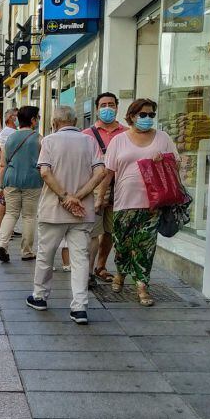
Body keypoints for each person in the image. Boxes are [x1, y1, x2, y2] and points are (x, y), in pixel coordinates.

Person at [28, 105, 107, 324]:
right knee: (80, 258)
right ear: (74, 121)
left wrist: (65, 197)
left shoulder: (49, 141)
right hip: (83, 212)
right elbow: (101, 172)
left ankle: (40, 297)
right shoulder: (90, 141)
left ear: (54, 122)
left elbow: (45, 171)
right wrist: (78, 197)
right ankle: (79, 308)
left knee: (45, 254)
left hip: (53, 210)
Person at [103, 98, 179, 306]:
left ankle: (142, 286)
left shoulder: (163, 138)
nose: (147, 118)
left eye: (151, 115)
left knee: (145, 246)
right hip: (124, 201)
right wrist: (100, 196)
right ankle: (120, 273)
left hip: (153, 202)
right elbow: (108, 172)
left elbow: (177, 166)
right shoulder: (119, 140)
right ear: (132, 115)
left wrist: (163, 161)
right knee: (122, 244)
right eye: (143, 114)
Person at [83, 92, 128, 284]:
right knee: (92, 231)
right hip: (95, 189)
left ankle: (101, 266)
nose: (107, 108)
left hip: (121, 189)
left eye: (111, 104)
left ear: (117, 107)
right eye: (103, 105)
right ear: (96, 109)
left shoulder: (127, 133)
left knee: (110, 231)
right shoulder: (86, 135)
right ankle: (87, 272)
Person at [0, 106, 42, 263]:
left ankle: (2, 244)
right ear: (33, 120)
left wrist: (1, 186)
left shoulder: (10, 139)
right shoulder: (39, 138)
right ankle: (26, 251)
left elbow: (3, 164)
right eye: (38, 117)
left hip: (11, 179)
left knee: (11, 213)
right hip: (32, 180)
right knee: (29, 216)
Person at [0, 108, 19, 235]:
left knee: (10, 202)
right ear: (10, 118)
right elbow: (5, 156)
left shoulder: (13, 131)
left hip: (12, 170)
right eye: (16, 115)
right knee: (4, 200)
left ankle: (9, 229)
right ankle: (0, 229)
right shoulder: (8, 132)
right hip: (9, 170)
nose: (18, 118)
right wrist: (1, 184)